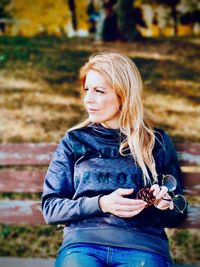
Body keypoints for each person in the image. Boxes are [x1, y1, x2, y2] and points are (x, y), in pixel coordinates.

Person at [42, 52, 188, 267]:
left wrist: (163, 204)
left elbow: (177, 215)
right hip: (83, 246)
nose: (88, 99)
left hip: (143, 247)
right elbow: (51, 208)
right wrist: (101, 203)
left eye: (99, 91)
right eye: (87, 90)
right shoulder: (74, 140)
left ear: (124, 95)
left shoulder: (156, 141)